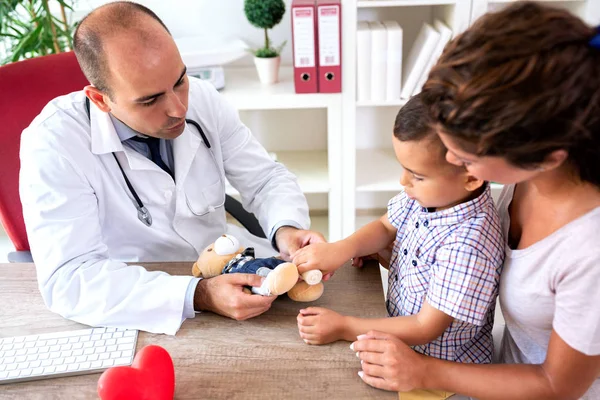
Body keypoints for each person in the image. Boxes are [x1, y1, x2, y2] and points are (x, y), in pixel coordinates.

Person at [18, 2, 324, 336]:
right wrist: (197, 294)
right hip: (135, 307)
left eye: (180, 80)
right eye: (150, 100)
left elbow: (266, 179)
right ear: (100, 99)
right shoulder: (53, 144)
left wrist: (286, 228)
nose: (179, 109)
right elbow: (70, 279)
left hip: (231, 272)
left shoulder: (203, 99)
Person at [351, 2, 600, 399]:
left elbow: (558, 386)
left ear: (543, 157)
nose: (451, 163)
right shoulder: (529, 180)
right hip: (499, 367)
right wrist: (406, 252)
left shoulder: (589, 252)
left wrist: (423, 370)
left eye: (465, 157)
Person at [293, 94, 504, 372]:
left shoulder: (469, 245)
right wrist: (344, 248)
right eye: (403, 168)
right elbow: (385, 226)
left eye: (416, 175)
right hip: (399, 333)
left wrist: (344, 327)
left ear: (471, 177)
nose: (403, 180)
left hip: (435, 368)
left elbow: (424, 327)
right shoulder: (430, 194)